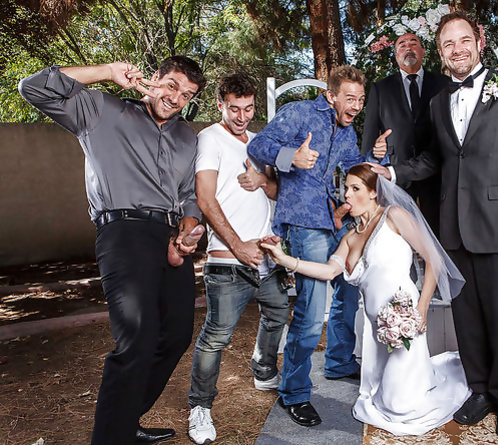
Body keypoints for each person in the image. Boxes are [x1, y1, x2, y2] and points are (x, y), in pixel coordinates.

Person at [373, 11, 498, 440]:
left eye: (463, 41)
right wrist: (394, 173)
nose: (457, 50)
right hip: (454, 227)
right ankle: (479, 390)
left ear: (479, 40)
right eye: (448, 45)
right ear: (440, 53)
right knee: (467, 316)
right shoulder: (439, 102)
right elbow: (435, 159)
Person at [19, 57, 206, 445]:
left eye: (186, 95)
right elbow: (33, 87)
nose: (176, 98)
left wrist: (188, 231)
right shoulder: (102, 110)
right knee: (138, 336)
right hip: (123, 230)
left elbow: (188, 194)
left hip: (169, 238)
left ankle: (126, 420)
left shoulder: (188, 137)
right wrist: (106, 72)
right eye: (171, 85)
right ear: (154, 79)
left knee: (176, 335)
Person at [260, 163, 469, 435]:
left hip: (404, 319)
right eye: (346, 188)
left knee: (402, 407)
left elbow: (434, 259)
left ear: (373, 192)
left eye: (355, 188)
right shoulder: (350, 237)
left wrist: (422, 307)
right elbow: (328, 271)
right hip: (375, 331)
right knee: (385, 402)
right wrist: (284, 259)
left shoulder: (394, 216)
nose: (347, 194)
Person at [247, 65, 386, 427]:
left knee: (349, 292)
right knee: (310, 312)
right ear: (331, 95)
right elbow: (257, 145)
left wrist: (377, 158)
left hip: (336, 219)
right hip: (303, 222)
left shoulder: (347, 129)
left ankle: (338, 362)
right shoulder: (298, 113)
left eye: (360, 99)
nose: (356, 105)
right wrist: (290, 157)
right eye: (349, 98)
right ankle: (294, 392)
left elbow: (354, 167)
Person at [186, 73, 289, 444]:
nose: (242, 116)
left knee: (278, 314)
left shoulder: (259, 143)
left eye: (248, 108)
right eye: (234, 109)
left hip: (267, 258)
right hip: (227, 259)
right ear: (220, 105)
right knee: (216, 336)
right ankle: (200, 406)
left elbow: (275, 191)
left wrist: (262, 182)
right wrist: (238, 245)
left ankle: (263, 368)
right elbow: (205, 198)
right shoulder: (209, 138)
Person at [361, 32, 448, 236]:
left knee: (437, 235)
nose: (408, 48)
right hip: (396, 175)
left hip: (438, 175)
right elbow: (369, 136)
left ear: (423, 52)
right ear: (395, 55)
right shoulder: (381, 88)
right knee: (399, 235)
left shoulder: (443, 84)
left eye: (413, 43)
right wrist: (373, 157)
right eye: (402, 45)